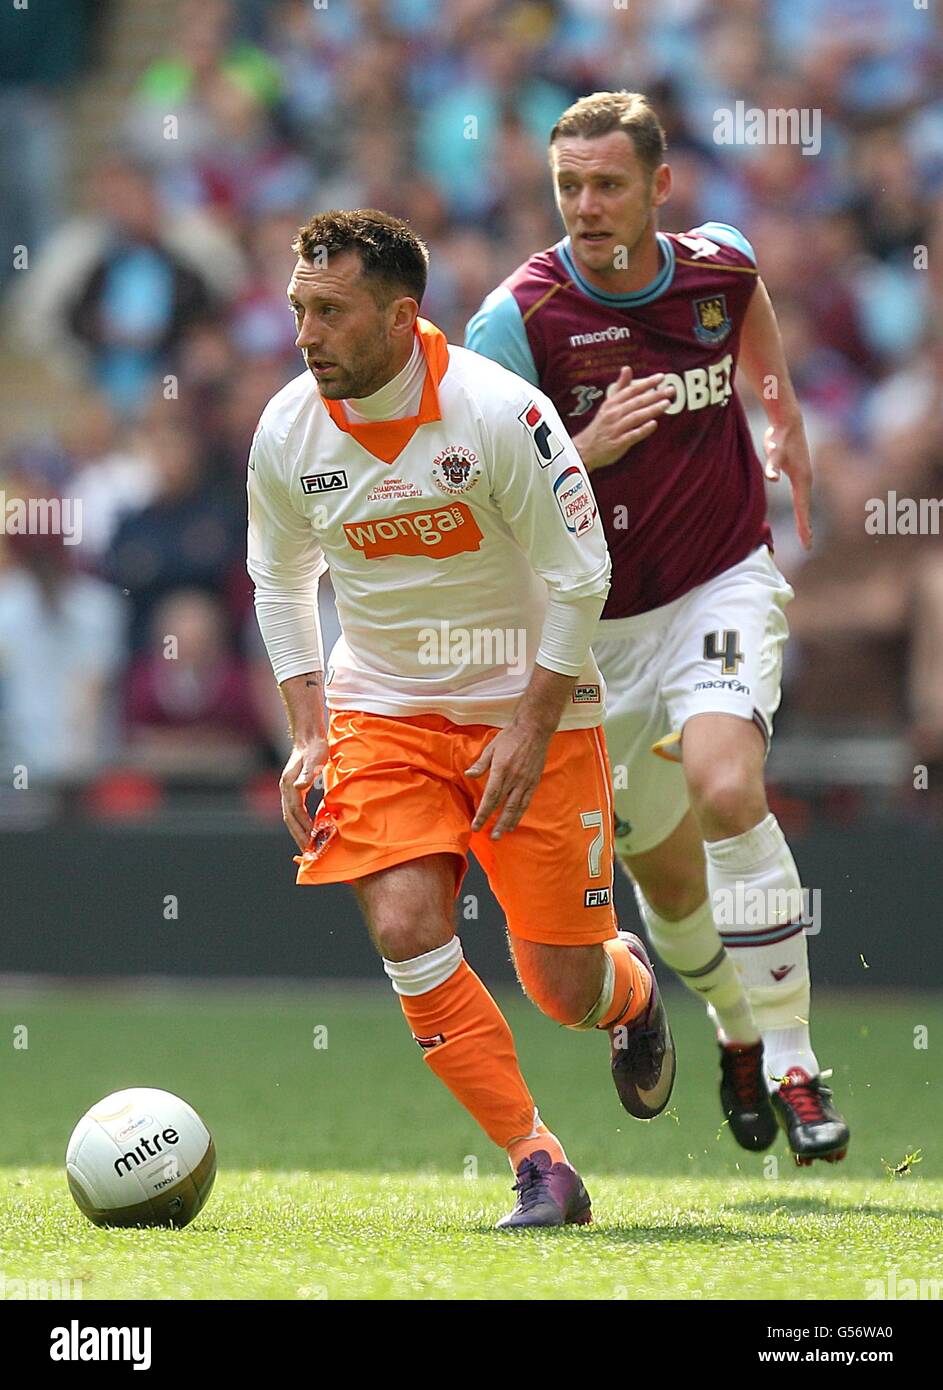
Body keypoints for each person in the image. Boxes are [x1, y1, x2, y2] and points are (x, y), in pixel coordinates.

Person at [247, 208, 675, 1228]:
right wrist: (310, 729)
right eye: (299, 307)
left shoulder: (498, 414)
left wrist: (528, 730)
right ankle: (538, 1161)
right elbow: (280, 574)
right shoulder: (286, 429)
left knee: (560, 987)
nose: (304, 333)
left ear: (401, 317)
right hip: (381, 710)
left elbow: (583, 576)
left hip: (533, 707)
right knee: (404, 923)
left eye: (331, 312)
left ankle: (631, 991)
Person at [466, 91, 849, 1165]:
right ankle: (731, 1024)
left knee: (730, 786)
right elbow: (480, 500)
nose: (585, 206)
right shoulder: (518, 319)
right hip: (597, 641)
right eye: (568, 187)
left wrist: (781, 417)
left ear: (657, 189)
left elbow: (750, 308)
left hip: (719, 584)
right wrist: (578, 451)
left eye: (608, 185)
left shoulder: (715, 266)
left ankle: (793, 1061)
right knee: (672, 886)